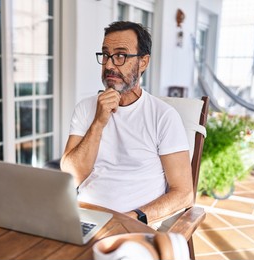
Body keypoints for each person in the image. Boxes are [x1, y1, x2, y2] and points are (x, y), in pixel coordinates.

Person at [60, 21, 193, 227]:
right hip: (84, 218)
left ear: (143, 62)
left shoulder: (163, 117)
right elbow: (70, 177)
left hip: (134, 224)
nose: (110, 65)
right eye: (105, 55)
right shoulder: (86, 109)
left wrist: (131, 219)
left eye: (121, 55)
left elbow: (183, 194)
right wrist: (98, 122)